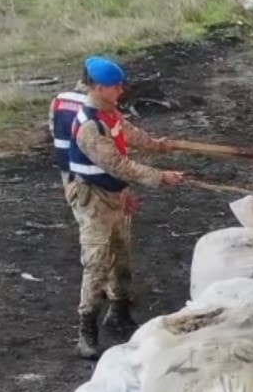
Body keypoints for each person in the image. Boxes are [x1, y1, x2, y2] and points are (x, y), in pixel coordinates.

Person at [53, 56, 186, 359]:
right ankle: (87, 330)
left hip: (115, 195)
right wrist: (160, 176)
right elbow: (117, 165)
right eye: (115, 87)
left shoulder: (108, 113)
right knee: (97, 262)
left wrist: (158, 144)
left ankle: (119, 311)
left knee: (121, 255)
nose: (121, 91)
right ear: (98, 87)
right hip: (94, 200)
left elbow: (128, 133)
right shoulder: (88, 126)